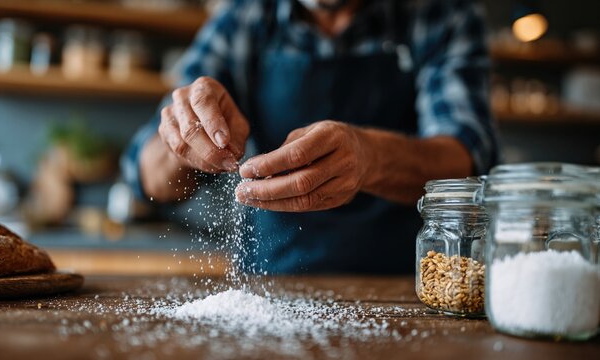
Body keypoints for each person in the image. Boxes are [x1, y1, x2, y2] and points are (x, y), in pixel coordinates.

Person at [122, 0, 498, 274]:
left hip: (407, 287)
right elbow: (146, 174)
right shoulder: (244, 18)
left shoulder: (441, 14)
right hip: (270, 285)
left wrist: (369, 157)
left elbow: (467, 158)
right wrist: (185, 141)